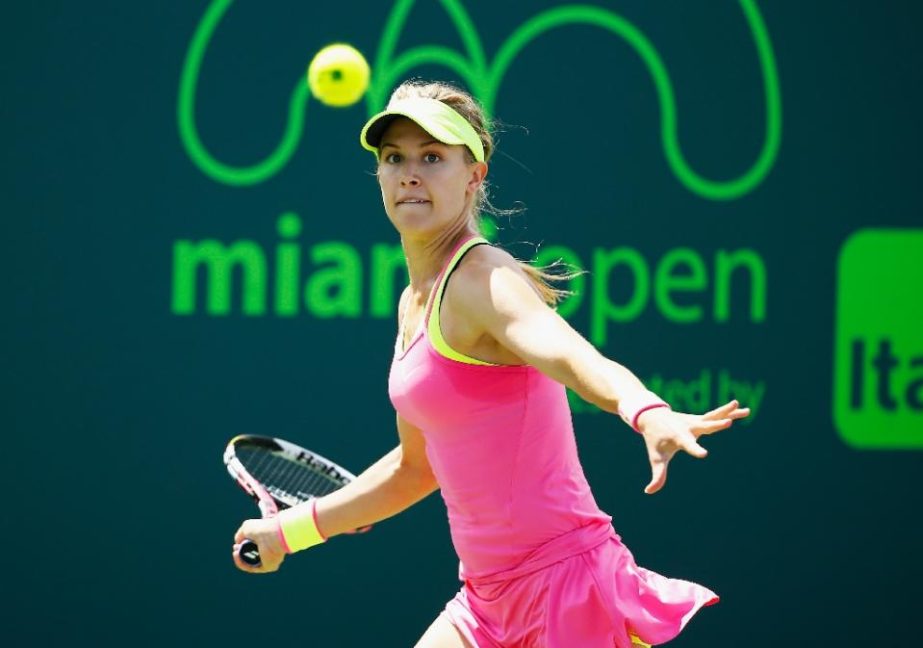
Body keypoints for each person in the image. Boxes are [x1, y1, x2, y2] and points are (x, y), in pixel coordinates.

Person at [232, 79, 750, 648]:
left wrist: (645, 410)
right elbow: (415, 467)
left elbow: (570, 354)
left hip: (564, 592)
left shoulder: (482, 279)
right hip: (483, 604)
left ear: (473, 176)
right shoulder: (414, 303)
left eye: (433, 157)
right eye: (393, 158)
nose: (410, 173)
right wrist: (288, 533)